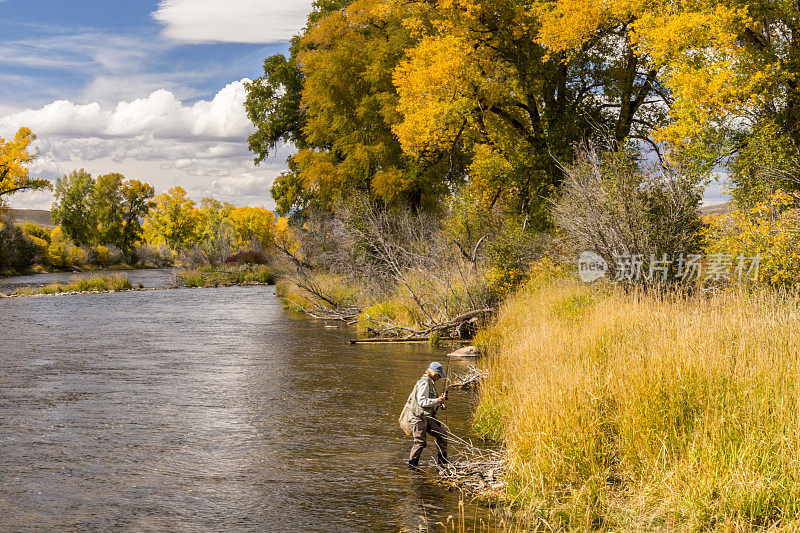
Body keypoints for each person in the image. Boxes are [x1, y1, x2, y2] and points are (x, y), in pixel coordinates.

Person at [405, 362, 448, 468]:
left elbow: (428, 399)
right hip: (418, 416)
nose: (439, 378)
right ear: (433, 373)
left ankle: (443, 463)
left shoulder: (430, 382)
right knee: (420, 443)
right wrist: (437, 400)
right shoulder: (425, 382)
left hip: (427, 416)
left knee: (442, 435)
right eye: (439, 375)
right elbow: (422, 402)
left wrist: (440, 399)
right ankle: (412, 466)